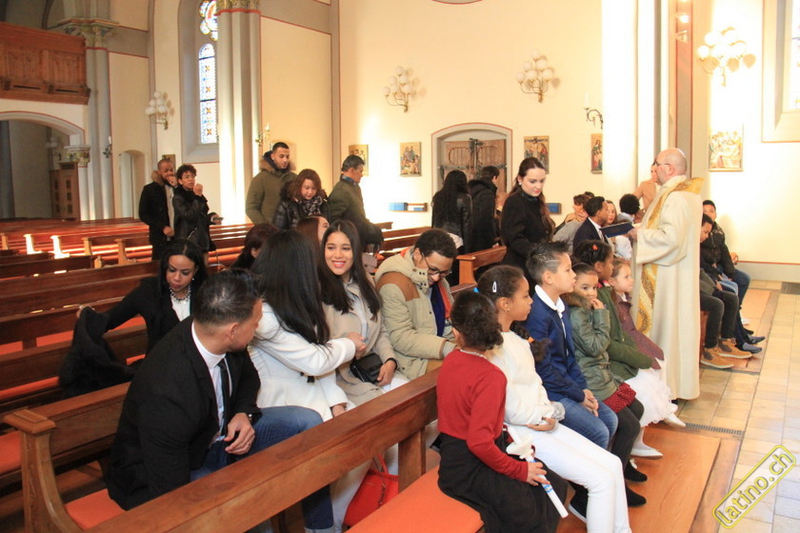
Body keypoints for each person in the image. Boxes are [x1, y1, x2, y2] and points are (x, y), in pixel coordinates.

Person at [105, 270, 335, 532]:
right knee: (249, 512)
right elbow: (170, 491)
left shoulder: (215, 332)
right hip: (183, 463)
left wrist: (243, 413)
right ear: (233, 331)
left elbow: (248, 377)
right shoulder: (168, 389)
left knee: (308, 422)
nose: (257, 327)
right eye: (255, 322)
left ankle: (322, 529)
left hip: (222, 435)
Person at [478, 265, 631, 531]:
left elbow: (536, 384)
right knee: (600, 480)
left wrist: (551, 412)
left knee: (613, 464)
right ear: (505, 304)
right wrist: (548, 414)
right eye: (525, 296)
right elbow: (510, 408)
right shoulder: (492, 349)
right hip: (522, 433)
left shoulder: (516, 338)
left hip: (542, 420)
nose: (530, 301)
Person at [247, 229, 367, 527]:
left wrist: (337, 401)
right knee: (322, 463)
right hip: (283, 409)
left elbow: (319, 361)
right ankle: (323, 525)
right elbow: (314, 360)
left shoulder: (295, 304)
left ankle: (329, 521)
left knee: (363, 435)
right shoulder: (264, 317)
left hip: (312, 399)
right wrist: (349, 344)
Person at [436, 290, 567, 533]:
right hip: (470, 468)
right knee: (527, 506)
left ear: (456, 333)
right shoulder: (490, 376)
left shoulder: (453, 360)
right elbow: (479, 443)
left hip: (458, 459)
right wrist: (520, 470)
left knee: (552, 483)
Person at [629, 148, 703, 400]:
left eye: (657, 164)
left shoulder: (676, 197)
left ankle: (666, 388)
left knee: (668, 330)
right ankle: (674, 385)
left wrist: (640, 235)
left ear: (669, 168)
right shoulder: (684, 194)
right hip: (676, 275)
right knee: (676, 330)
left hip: (668, 279)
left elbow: (671, 239)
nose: (654, 170)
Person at [320, 220, 409, 406]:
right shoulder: (317, 290)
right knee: (387, 411)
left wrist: (390, 360)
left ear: (356, 250)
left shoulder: (365, 280)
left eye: (345, 248)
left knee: (411, 400)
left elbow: (380, 329)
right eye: (331, 248)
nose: (337, 255)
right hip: (341, 379)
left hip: (372, 367)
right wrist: (347, 346)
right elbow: (316, 350)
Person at [375, 229, 457, 379]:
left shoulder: (435, 275)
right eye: (433, 270)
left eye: (444, 272)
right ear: (418, 254)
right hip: (411, 360)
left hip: (438, 345)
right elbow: (400, 338)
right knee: (464, 372)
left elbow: (448, 319)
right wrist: (446, 347)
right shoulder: (393, 284)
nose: (437, 278)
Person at [699, 215, 759, 365]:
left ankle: (726, 342)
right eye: (705, 232)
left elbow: (701, 270)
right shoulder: (687, 245)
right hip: (689, 290)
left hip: (705, 281)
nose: (707, 236)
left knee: (731, 297)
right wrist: (712, 289)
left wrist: (715, 283)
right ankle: (709, 351)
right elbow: (691, 275)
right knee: (717, 303)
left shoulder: (699, 242)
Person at [500, 157, 555, 275]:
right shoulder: (514, 202)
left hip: (535, 265)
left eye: (542, 181)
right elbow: (516, 239)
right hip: (520, 267)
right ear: (520, 179)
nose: (538, 186)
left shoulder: (536, 200)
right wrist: (541, 253)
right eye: (533, 181)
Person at [701, 200, 751, 306]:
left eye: (711, 211)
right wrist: (716, 274)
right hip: (709, 269)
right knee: (731, 288)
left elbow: (724, 252)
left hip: (720, 266)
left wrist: (730, 273)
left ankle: (736, 308)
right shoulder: (699, 232)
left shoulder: (719, 231)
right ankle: (733, 311)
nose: (708, 214)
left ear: (716, 214)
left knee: (744, 279)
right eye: (704, 211)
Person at [328, 155, 383, 249]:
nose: (362, 175)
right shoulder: (341, 190)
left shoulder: (354, 187)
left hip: (357, 238)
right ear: (352, 170)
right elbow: (334, 220)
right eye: (360, 171)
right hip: (348, 241)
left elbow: (358, 214)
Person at [245, 142, 297, 224]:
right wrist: (265, 226)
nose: (285, 160)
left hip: (291, 228)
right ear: (273, 156)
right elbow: (251, 208)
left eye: (287, 157)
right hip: (270, 228)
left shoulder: (294, 178)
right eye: (281, 156)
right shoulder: (260, 179)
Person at [173, 164, 219, 255]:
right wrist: (197, 197)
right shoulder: (178, 198)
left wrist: (212, 217)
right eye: (187, 177)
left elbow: (202, 215)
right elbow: (190, 216)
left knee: (204, 263)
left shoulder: (196, 194)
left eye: (192, 176)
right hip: (188, 239)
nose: (191, 179)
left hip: (201, 238)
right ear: (180, 181)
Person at [138, 159, 176, 260]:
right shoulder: (150, 190)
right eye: (166, 171)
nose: (170, 173)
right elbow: (143, 214)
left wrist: (177, 187)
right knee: (160, 265)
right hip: (160, 237)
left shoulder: (178, 188)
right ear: (159, 172)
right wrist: (162, 227)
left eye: (171, 170)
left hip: (178, 237)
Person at [432, 170, 473, 254]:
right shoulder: (465, 197)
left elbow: (434, 220)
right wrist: (468, 248)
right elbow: (467, 224)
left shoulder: (438, 196)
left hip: (439, 237)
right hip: (457, 239)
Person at [468, 165, 500, 251]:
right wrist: (493, 240)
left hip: (471, 234)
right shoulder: (487, 193)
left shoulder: (472, 190)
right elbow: (487, 218)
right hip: (482, 237)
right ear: (494, 178)